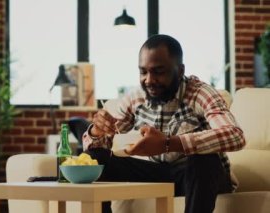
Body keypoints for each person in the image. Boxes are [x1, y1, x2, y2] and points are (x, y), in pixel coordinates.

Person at [82, 34, 246, 213]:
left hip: (201, 177)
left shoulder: (200, 93)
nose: (149, 80)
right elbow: (108, 140)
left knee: (203, 158)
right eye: (143, 72)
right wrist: (97, 131)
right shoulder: (136, 97)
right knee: (97, 158)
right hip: (160, 175)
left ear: (180, 70)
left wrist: (168, 143)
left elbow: (235, 135)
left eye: (159, 72)